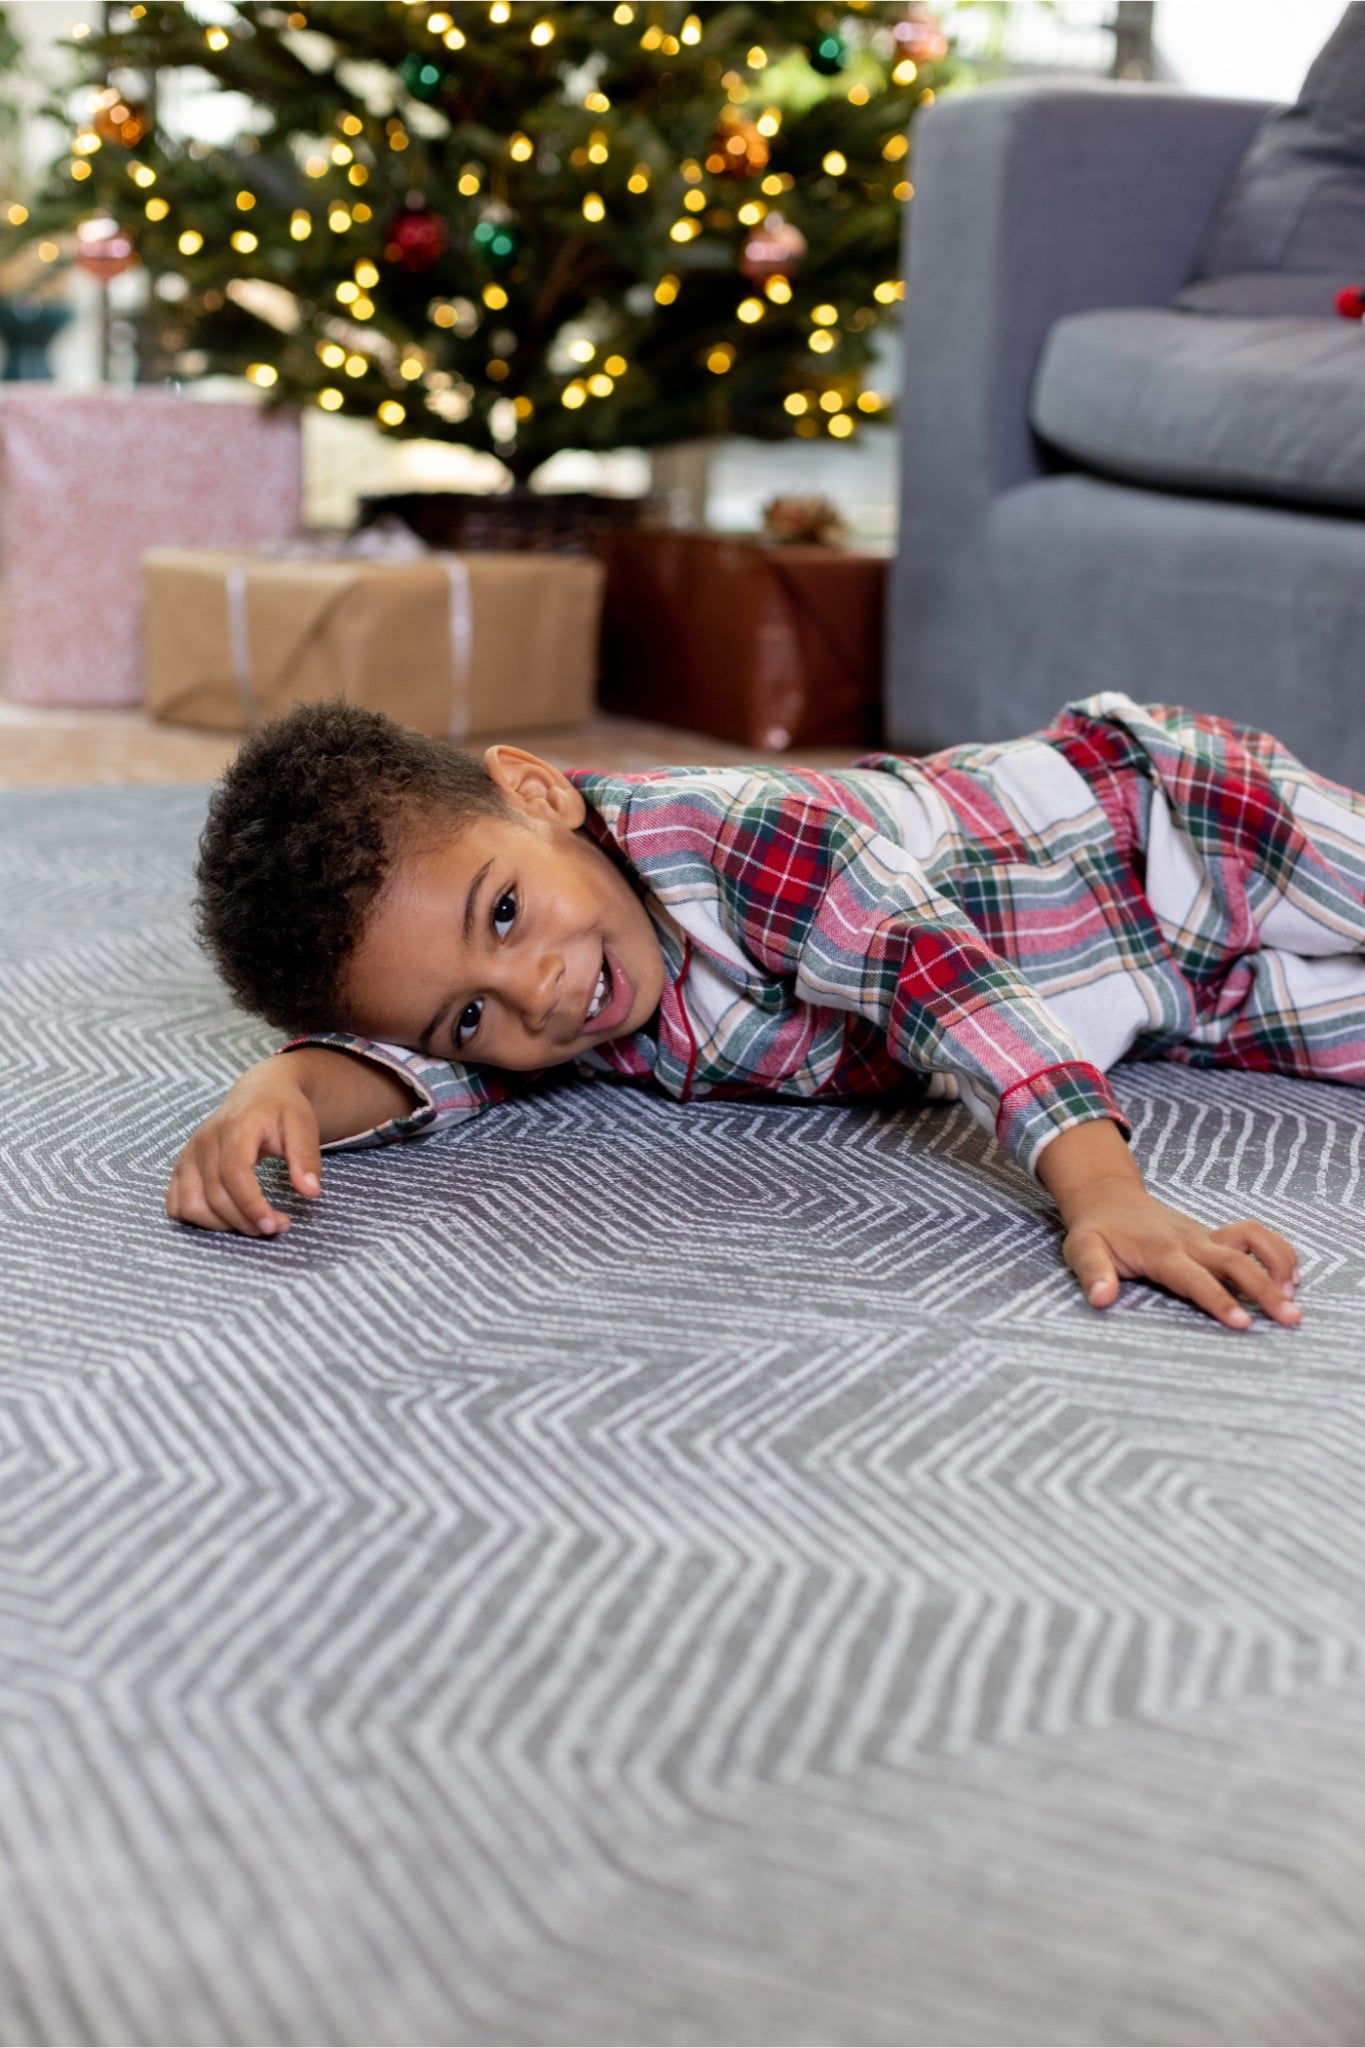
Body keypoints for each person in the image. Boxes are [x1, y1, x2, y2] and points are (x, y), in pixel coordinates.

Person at [168, 690, 1365, 1332]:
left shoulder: (738, 834)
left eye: (505, 912)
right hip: (1167, 995)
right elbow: (433, 1063)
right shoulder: (564, 1007)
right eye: (468, 1014)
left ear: (536, 793)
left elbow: (939, 980)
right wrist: (283, 1090)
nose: (532, 990)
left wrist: (1104, 1191)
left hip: (1175, 827)